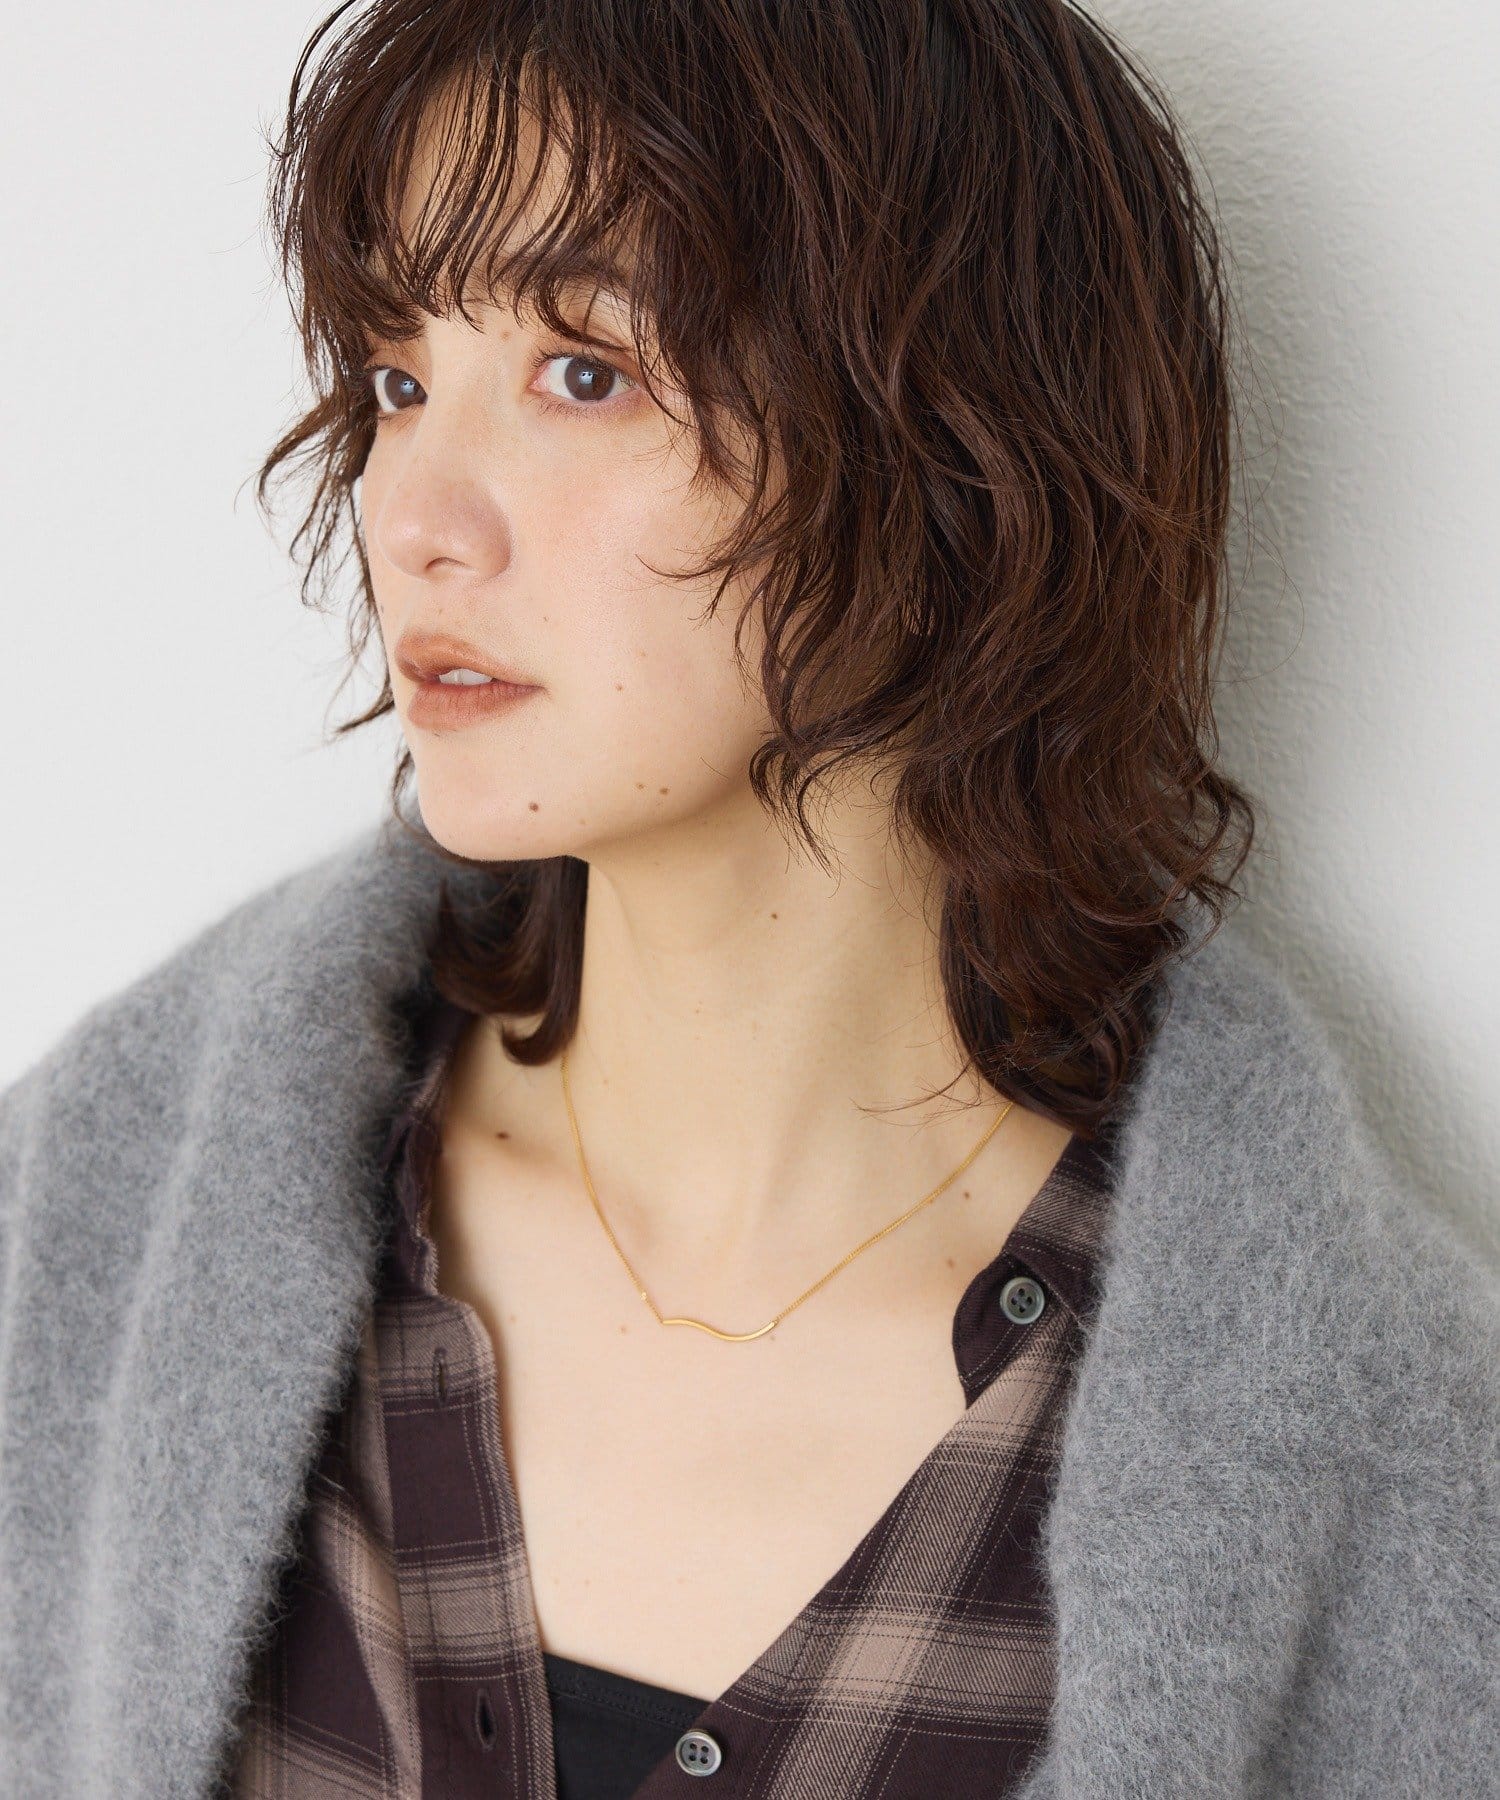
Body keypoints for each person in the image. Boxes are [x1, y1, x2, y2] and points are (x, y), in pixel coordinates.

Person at [2, 3, 1495, 1798]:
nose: (415, 517)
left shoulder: (1388, 1476)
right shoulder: (94, 1217)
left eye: (583, 372)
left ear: (950, 443)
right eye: (399, 379)